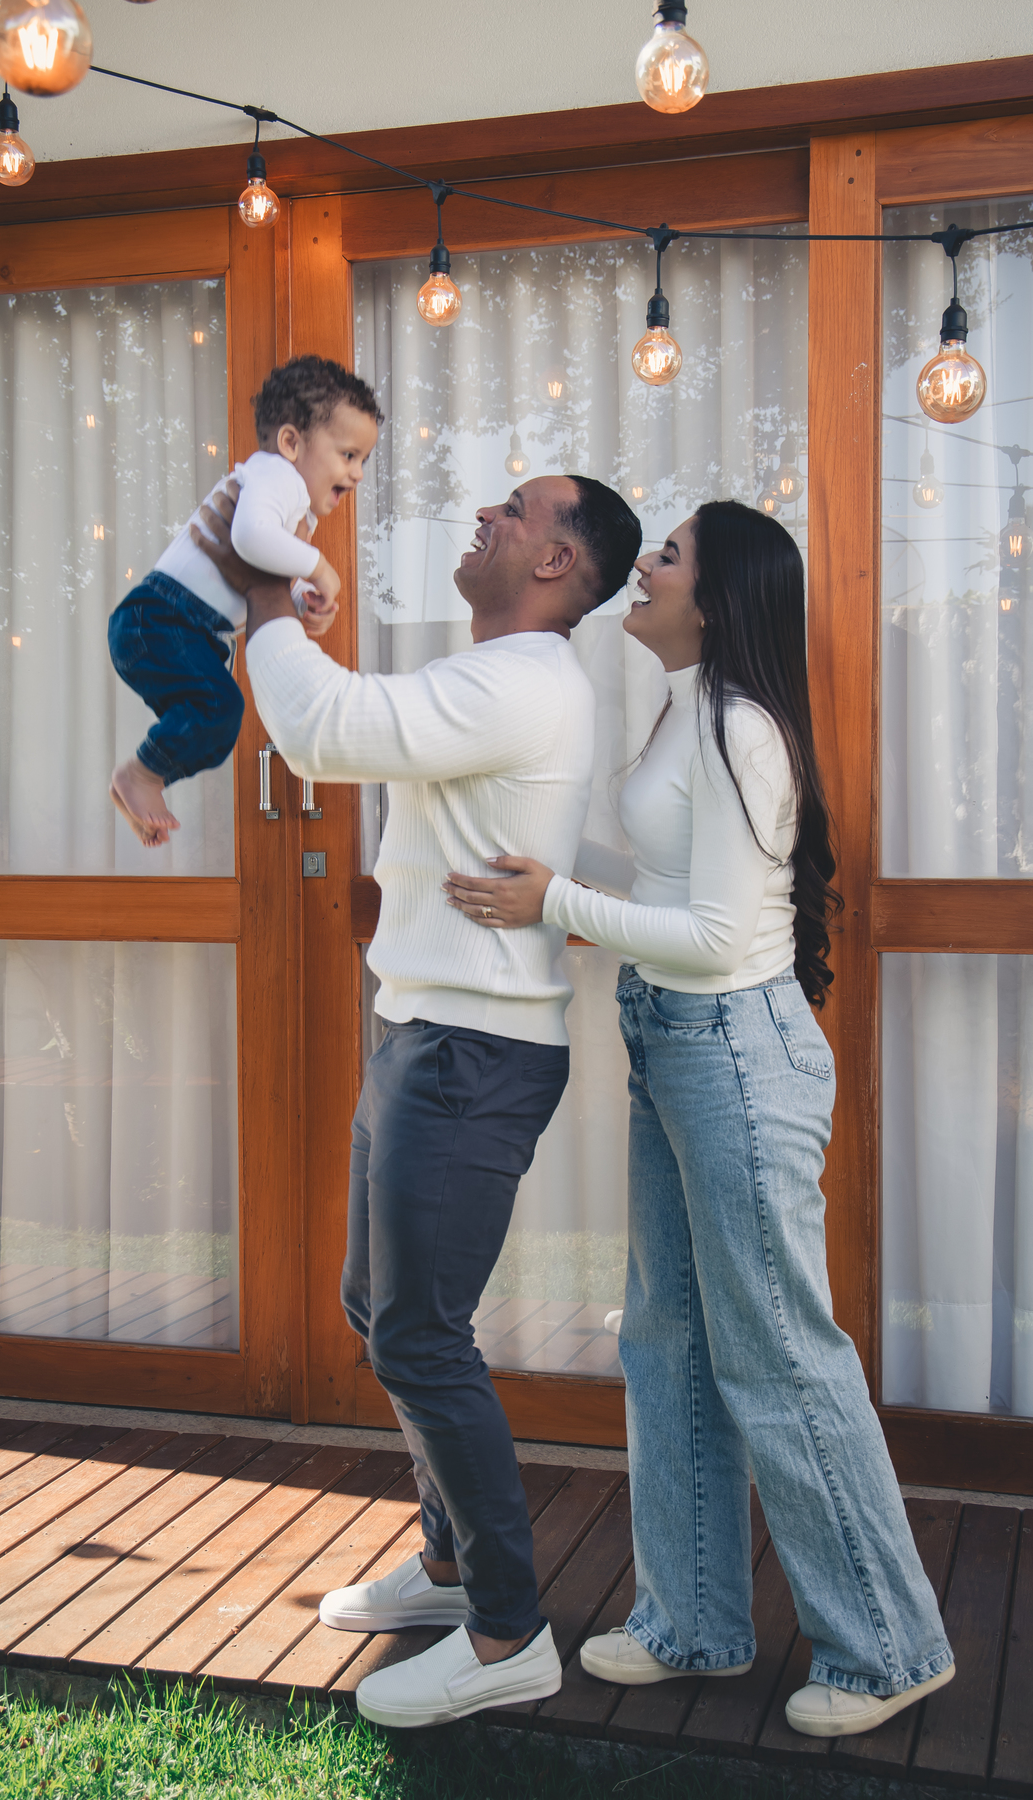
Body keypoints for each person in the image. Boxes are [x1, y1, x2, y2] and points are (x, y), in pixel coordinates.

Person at [445, 500, 955, 1739]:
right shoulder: (689, 705)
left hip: (733, 1051)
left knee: (777, 1353)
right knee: (668, 1340)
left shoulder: (743, 730)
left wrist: (557, 902)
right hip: (676, 1042)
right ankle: (693, 1623)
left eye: (666, 558)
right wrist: (558, 869)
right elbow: (675, 884)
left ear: (715, 602)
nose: (646, 569)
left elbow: (722, 937)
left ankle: (890, 1649)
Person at [192, 472, 642, 1730]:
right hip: (424, 1037)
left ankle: (507, 1632)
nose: (485, 514)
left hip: (469, 1056)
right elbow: (355, 717)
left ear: (556, 563)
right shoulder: (496, 676)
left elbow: (324, 732)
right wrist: (299, 630)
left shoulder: (524, 681)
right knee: (376, 1308)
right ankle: (449, 1568)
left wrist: (267, 593)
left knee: (419, 1337)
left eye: (516, 509)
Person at [107, 356, 380, 846]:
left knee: (215, 723)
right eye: (348, 455)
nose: (357, 473)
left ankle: (143, 780)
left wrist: (302, 602)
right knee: (218, 709)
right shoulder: (277, 476)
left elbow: (264, 571)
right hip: (163, 619)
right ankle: (141, 775)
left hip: (182, 629)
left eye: (363, 460)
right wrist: (320, 568)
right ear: (291, 443)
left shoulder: (292, 505)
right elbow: (251, 539)